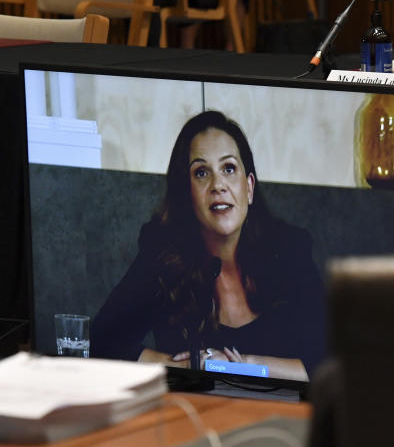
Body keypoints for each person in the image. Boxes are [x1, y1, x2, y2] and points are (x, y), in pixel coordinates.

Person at [92, 110, 323, 382]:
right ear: (186, 194)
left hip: (278, 419)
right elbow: (101, 341)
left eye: (228, 169)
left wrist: (245, 366)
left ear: (248, 188)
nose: (218, 185)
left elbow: (328, 365)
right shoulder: (164, 255)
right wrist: (177, 366)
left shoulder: (289, 250)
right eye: (201, 172)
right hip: (194, 418)